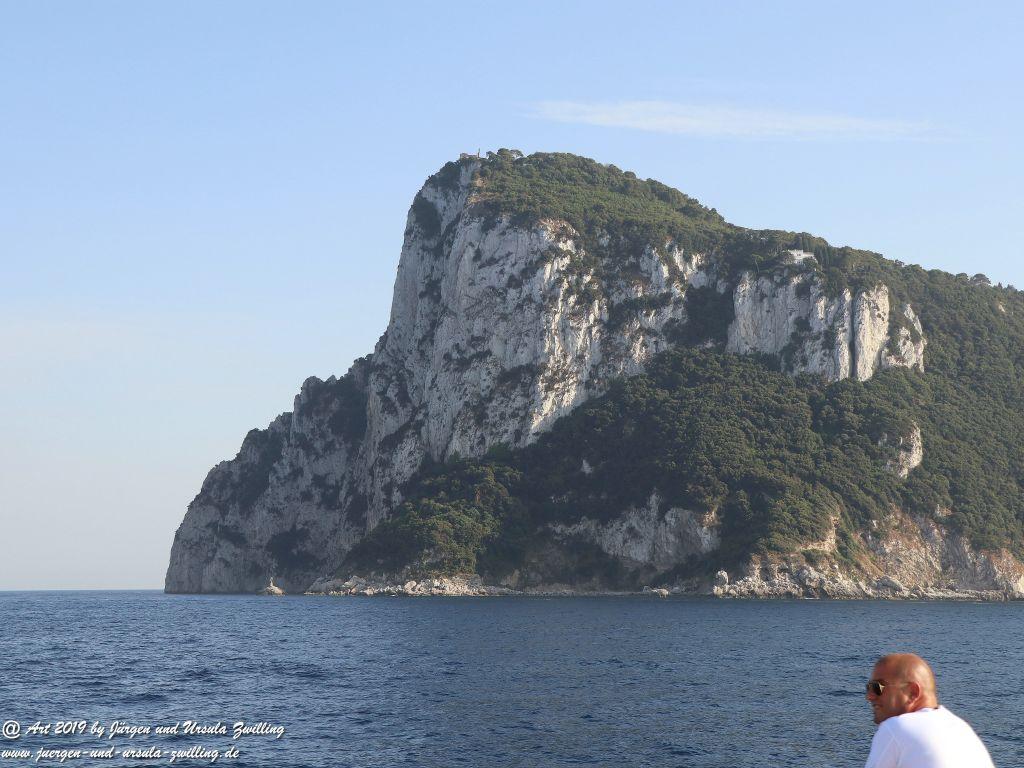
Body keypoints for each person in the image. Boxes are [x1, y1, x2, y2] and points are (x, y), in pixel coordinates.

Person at [864, 653, 995, 768]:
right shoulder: (962, 729)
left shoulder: (895, 728)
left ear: (912, 692)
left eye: (878, 687)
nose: (870, 696)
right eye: (869, 688)